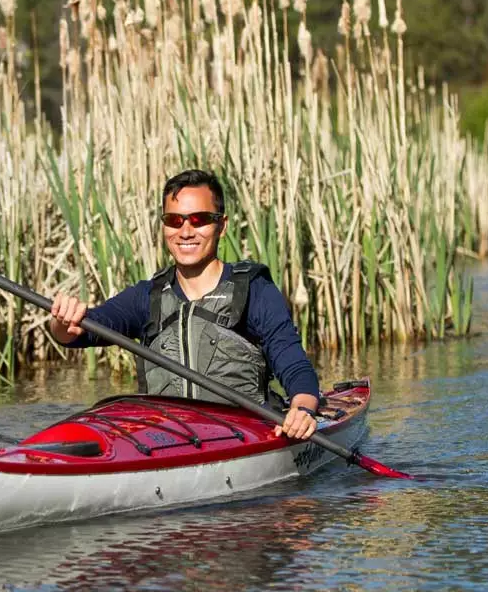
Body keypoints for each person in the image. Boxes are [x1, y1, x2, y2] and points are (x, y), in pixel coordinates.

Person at [49, 170, 320, 441]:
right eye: (174, 221)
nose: (186, 232)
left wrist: (302, 410)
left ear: (221, 225)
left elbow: (294, 366)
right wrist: (62, 322)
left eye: (200, 220)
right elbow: (80, 332)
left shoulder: (255, 291)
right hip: (164, 440)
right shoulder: (147, 296)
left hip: (243, 437)